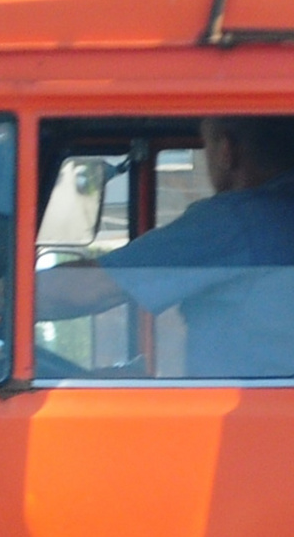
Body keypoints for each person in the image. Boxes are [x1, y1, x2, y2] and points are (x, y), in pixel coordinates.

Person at [34, 117, 294, 378]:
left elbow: (93, 288)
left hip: (238, 414)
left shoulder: (236, 221)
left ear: (227, 150)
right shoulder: (274, 216)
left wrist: (0, 298)